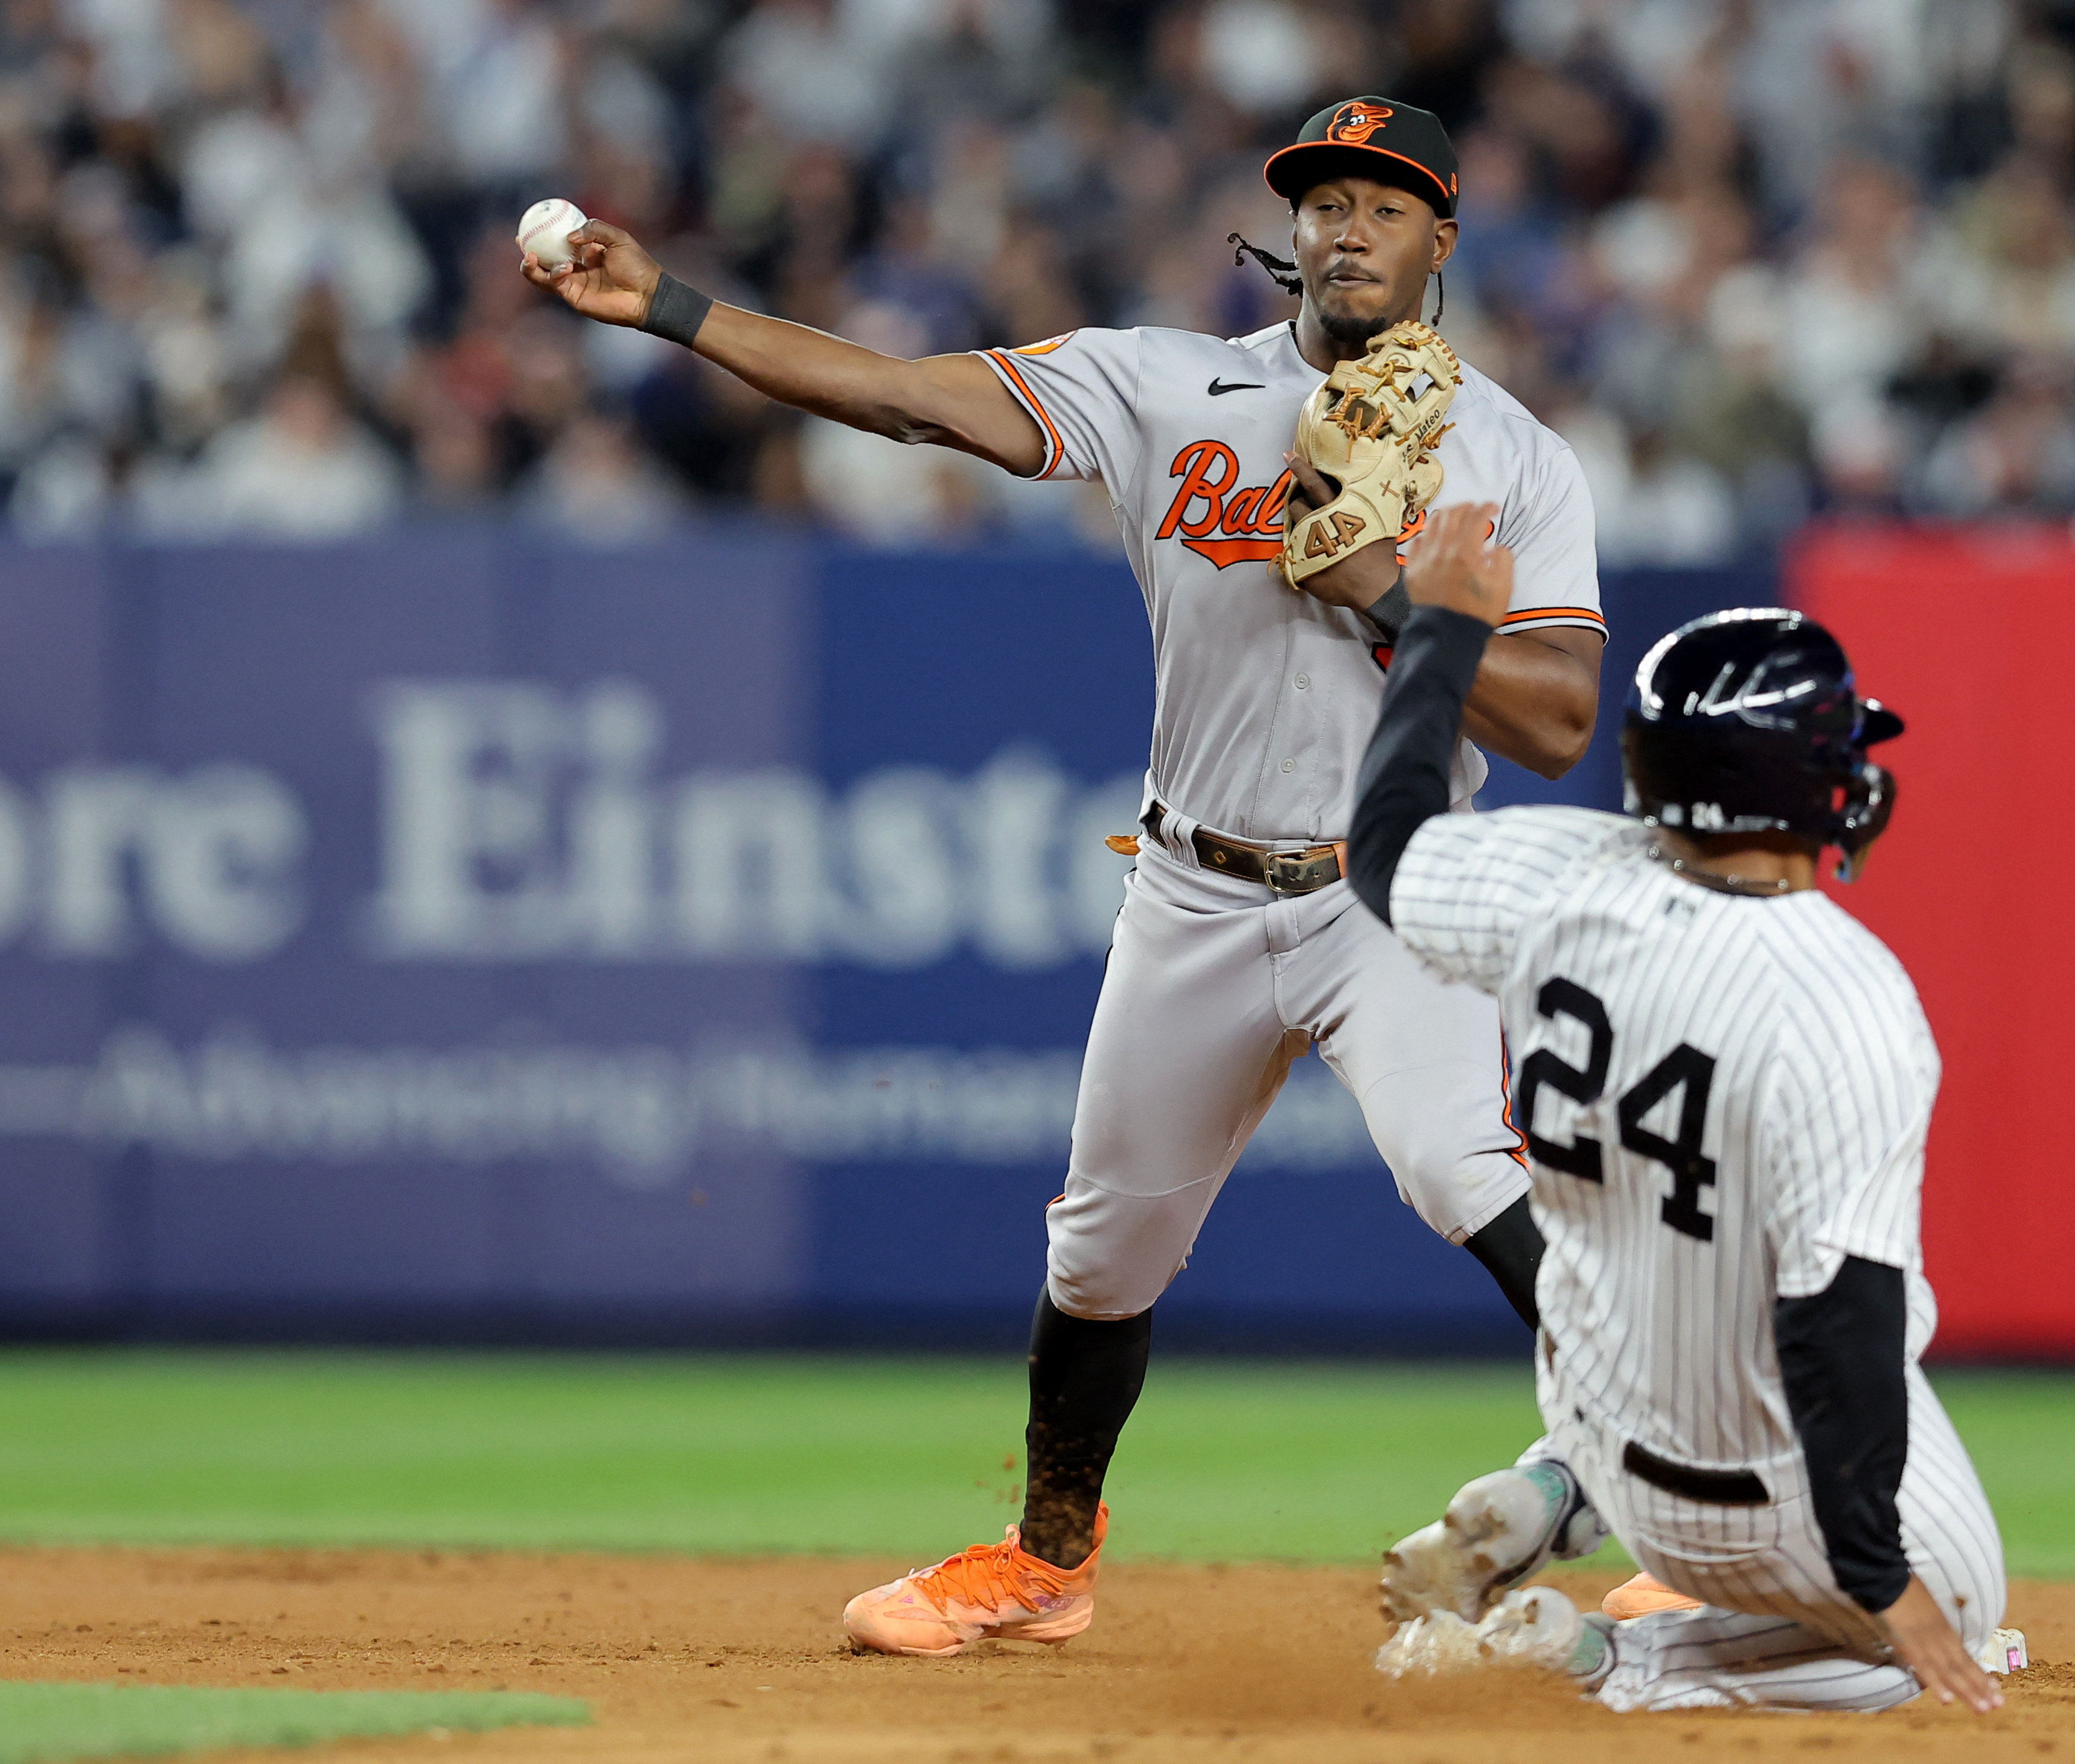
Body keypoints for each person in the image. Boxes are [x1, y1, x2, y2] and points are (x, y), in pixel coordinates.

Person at [522, 96, 1608, 1656]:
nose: (1350, 223)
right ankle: (1047, 1563)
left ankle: (1688, 1490)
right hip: (1194, 888)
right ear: (1289, 228)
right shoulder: (1172, 383)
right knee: (1099, 1255)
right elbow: (904, 399)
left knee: (1462, 1175)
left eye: (1388, 201)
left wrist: (1381, 586)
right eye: (1325, 198)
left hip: (1393, 888)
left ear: (1443, 236)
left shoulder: (1511, 454)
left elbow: (1561, 722)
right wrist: (671, 308)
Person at [1343, 513, 2016, 1714]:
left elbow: (1384, 848)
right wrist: (1883, 1581)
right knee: (1960, 1635)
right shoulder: (1844, 996)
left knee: (1666, 1292)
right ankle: (1610, 1660)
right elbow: (1839, 1324)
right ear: (1814, 783)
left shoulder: (1553, 875)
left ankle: (1550, 1494)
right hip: (1761, 1500)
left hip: (1597, 1415)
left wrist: (1441, 624)